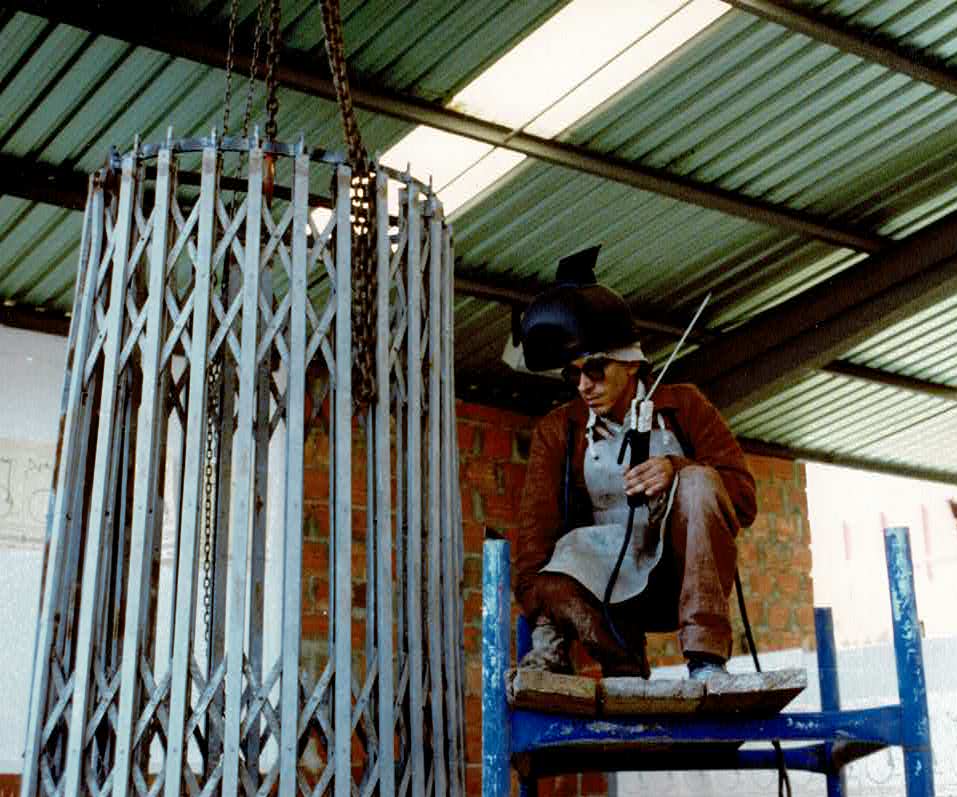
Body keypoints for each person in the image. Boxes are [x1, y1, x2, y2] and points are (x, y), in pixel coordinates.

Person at [513, 246, 756, 681]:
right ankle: (620, 665)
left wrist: (677, 469)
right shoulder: (558, 429)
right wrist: (543, 607)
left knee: (701, 482)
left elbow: (743, 497)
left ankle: (705, 660)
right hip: (606, 589)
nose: (585, 385)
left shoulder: (685, 404)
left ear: (630, 363)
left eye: (597, 370)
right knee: (556, 565)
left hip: (676, 576)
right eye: (575, 375)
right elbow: (535, 534)